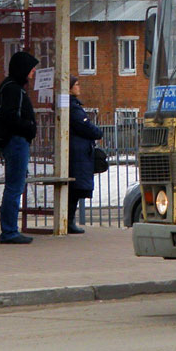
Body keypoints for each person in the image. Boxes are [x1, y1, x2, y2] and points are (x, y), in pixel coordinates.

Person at [0, 50, 39, 244]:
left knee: (15, 186)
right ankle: (9, 231)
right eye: (31, 68)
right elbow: (11, 117)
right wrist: (29, 127)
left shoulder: (11, 87)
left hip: (16, 142)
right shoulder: (13, 89)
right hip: (16, 142)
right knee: (14, 187)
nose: (33, 72)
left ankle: (10, 229)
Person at [67, 76, 103, 234]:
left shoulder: (72, 105)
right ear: (69, 88)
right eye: (76, 85)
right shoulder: (73, 107)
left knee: (74, 187)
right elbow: (85, 125)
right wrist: (97, 132)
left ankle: (69, 219)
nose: (79, 87)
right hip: (78, 153)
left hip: (78, 151)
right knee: (74, 188)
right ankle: (68, 220)